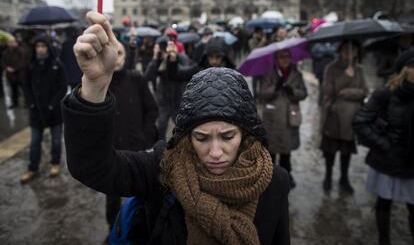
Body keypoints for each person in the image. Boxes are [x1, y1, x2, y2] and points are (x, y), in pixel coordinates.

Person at [63, 12, 290, 244]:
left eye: (228, 136)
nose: (215, 152)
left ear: (245, 134)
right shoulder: (163, 169)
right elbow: (92, 167)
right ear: (186, 136)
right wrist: (94, 85)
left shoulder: (274, 183)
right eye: (201, 138)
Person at [353, 49, 414, 245]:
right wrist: (384, 144)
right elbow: (361, 122)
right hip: (388, 160)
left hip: (411, 162)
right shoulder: (386, 93)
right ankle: (384, 240)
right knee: (384, 202)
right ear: (404, 70)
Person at [104, 41, 159, 235]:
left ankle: (140, 228)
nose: (116, 58)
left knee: (139, 193)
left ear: (125, 57)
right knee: (112, 195)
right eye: (112, 54)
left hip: (136, 148)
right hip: (110, 151)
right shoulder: (101, 82)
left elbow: (152, 109)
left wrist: (146, 137)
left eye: (119, 54)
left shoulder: (136, 79)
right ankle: (114, 229)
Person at [320, 40, 368, 193]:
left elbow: (364, 91)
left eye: (353, 50)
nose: (349, 52)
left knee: (346, 151)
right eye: (346, 49)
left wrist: (346, 93)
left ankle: (344, 178)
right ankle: (328, 176)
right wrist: (345, 78)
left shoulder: (359, 69)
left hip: (351, 117)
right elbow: (328, 91)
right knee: (330, 150)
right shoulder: (331, 68)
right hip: (334, 116)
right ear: (340, 51)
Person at [21, 34, 67, 183]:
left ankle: (55, 163)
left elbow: (62, 87)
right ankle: (32, 168)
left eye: (43, 46)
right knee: (35, 142)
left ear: (48, 47)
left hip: (54, 112)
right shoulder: (30, 65)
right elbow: (25, 86)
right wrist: (31, 103)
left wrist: (53, 104)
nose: (40, 49)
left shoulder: (56, 64)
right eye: (38, 47)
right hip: (36, 112)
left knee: (56, 141)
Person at [259, 49, 308, 188]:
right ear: (276, 59)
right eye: (281, 57)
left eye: (287, 56)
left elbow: (304, 93)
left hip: (289, 116)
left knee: (286, 150)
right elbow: (262, 93)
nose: (285, 59)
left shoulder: (296, 74)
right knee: (272, 149)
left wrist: (293, 92)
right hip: (273, 117)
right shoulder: (269, 74)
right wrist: (275, 87)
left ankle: (287, 175)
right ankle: (271, 177)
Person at [144, 37, 189, 140]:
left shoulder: (181, 58)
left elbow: (185, 73)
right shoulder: (158, 61)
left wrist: (173, 60)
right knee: (161, 127)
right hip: (163, 100)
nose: (165, 51)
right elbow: (147, 78)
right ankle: (161, 149)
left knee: (182, 127)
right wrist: (155, 58)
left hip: (178, 99)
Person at [167, 37, 235, 82]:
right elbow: (177, 75)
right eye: (211, 56)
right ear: (206, 56)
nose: (214, 61)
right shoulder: (199, 70)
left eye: (218, 57)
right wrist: (173, 59)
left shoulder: (231, 74)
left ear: (223, 58)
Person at [2, 37, 27, 108]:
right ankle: (15, 103)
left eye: (13, 42)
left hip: (20, 74)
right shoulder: (5, 52)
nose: (11, 43)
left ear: (16, 42)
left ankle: (26, 103)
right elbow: (3, 62)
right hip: (10, 75)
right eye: (9, 42)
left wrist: (15, 69)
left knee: (23, 89)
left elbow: (22, 62)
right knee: (13, 90)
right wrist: (6, 67)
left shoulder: (21, 51)